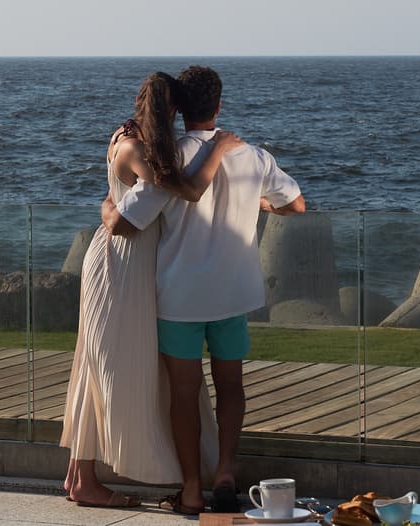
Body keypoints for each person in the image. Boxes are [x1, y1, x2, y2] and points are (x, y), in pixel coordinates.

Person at [102, 65, 305, 514]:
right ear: (218, 105)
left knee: (183, 395)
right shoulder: (252, 155)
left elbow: (126, 223)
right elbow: (296, 204)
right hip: (233, 293)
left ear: (179, 107)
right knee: (231, 386)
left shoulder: (167, 159)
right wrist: (260, 203)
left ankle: (192, 487)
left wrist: (107, 204)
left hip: (181, 296)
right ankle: (227, 470)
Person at [60, 71, 243, 508]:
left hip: (128, 262)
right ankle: (83, 479)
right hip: (120, 265)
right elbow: (188, 190)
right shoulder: (141, 150)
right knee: (103, 368)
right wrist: (218, 147)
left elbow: (123, 204)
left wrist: (109, 209)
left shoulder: (127, 135)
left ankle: (78, 476)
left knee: (96, 364)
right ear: (172, 109)